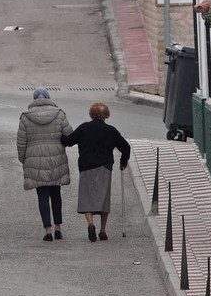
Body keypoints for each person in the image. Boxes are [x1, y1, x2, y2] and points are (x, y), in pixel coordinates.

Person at [62, 101, 131, 242]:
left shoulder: (84, 128)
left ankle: (90, 223)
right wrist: (123, 163)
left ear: (91, 114)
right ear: (106, 115)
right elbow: (126, 147)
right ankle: (103, 230)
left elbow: (68, 141)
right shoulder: (111, 130)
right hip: (105, 167)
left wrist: (58, 133)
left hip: (86, 166)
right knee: (103, 197)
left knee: (87, 195)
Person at [16, 88, 73, 241]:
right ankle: (58, 228)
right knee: (56, 194)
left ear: (34, 99)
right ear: (48, 98)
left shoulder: (26, 117)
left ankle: (48, 231)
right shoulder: (59, 114)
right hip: (56, 157)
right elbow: (69, 134)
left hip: (34, 159)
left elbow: (21, 142)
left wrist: (25, 159)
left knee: (42, 195)